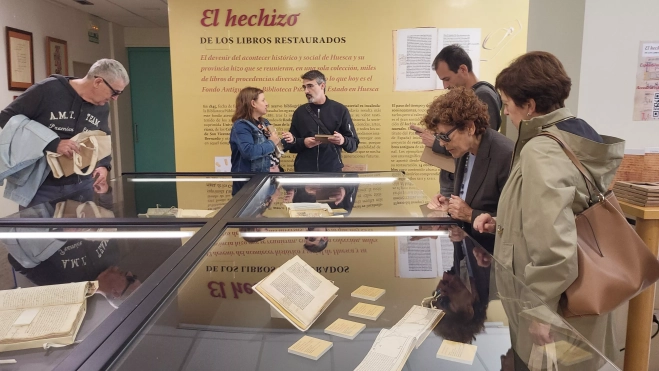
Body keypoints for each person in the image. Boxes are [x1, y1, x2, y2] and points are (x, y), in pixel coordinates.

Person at [473, 51, 624, 361]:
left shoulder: (541, 150)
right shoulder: (574, 136)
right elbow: (558, 213)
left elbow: (554, 241)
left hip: (555, 305)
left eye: (508, 104)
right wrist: (504, 222)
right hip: (579, 293)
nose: (507, 113)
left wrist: (541, 311)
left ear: (529, 106)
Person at [0, 59, 128, 207]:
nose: (115, 98)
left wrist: (104, 166)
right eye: (115, 92)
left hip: (82, 185)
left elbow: (104, 137)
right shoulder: (47, 90)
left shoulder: (102, 106)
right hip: (41, 186)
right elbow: (7, 118)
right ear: (98, 82)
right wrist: (53, 143)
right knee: (35, 230)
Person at [423, 87, 513, 252]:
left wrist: (470, 214)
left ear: (470, 128)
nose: (441, 143)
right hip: (468, 251)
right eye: (438, 137)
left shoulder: (506, 155)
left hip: (491, 256)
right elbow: (471, 197)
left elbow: (513, 221)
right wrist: (450, 206)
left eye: (444, 136)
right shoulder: (464, 151)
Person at [418, 45, 502, 198]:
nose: (445, 86)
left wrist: (436, 142)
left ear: (463, 69)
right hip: (458, 180)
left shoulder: (484, 94)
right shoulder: (473, 94)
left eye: (447, 79)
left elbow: (480, 144)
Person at [281, 70, 359, 172]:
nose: (306, 91)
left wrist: (343, 140)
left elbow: (353, 144)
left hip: (331, 172)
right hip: (304, 171)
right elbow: (291, 144)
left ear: (322, 86)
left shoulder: (340, 110)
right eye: (304, 87)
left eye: (310, 86)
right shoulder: (300, 112)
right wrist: (304, 142)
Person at [229, 87, 281, 195]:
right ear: (253, 103)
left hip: (266, 181)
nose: (267, 103)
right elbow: (249, 152)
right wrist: (271, 142)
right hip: (249, 185)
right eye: (263, 100)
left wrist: (290, 140)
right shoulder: (241, 126)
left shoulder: (265, 122)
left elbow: (274, 151)